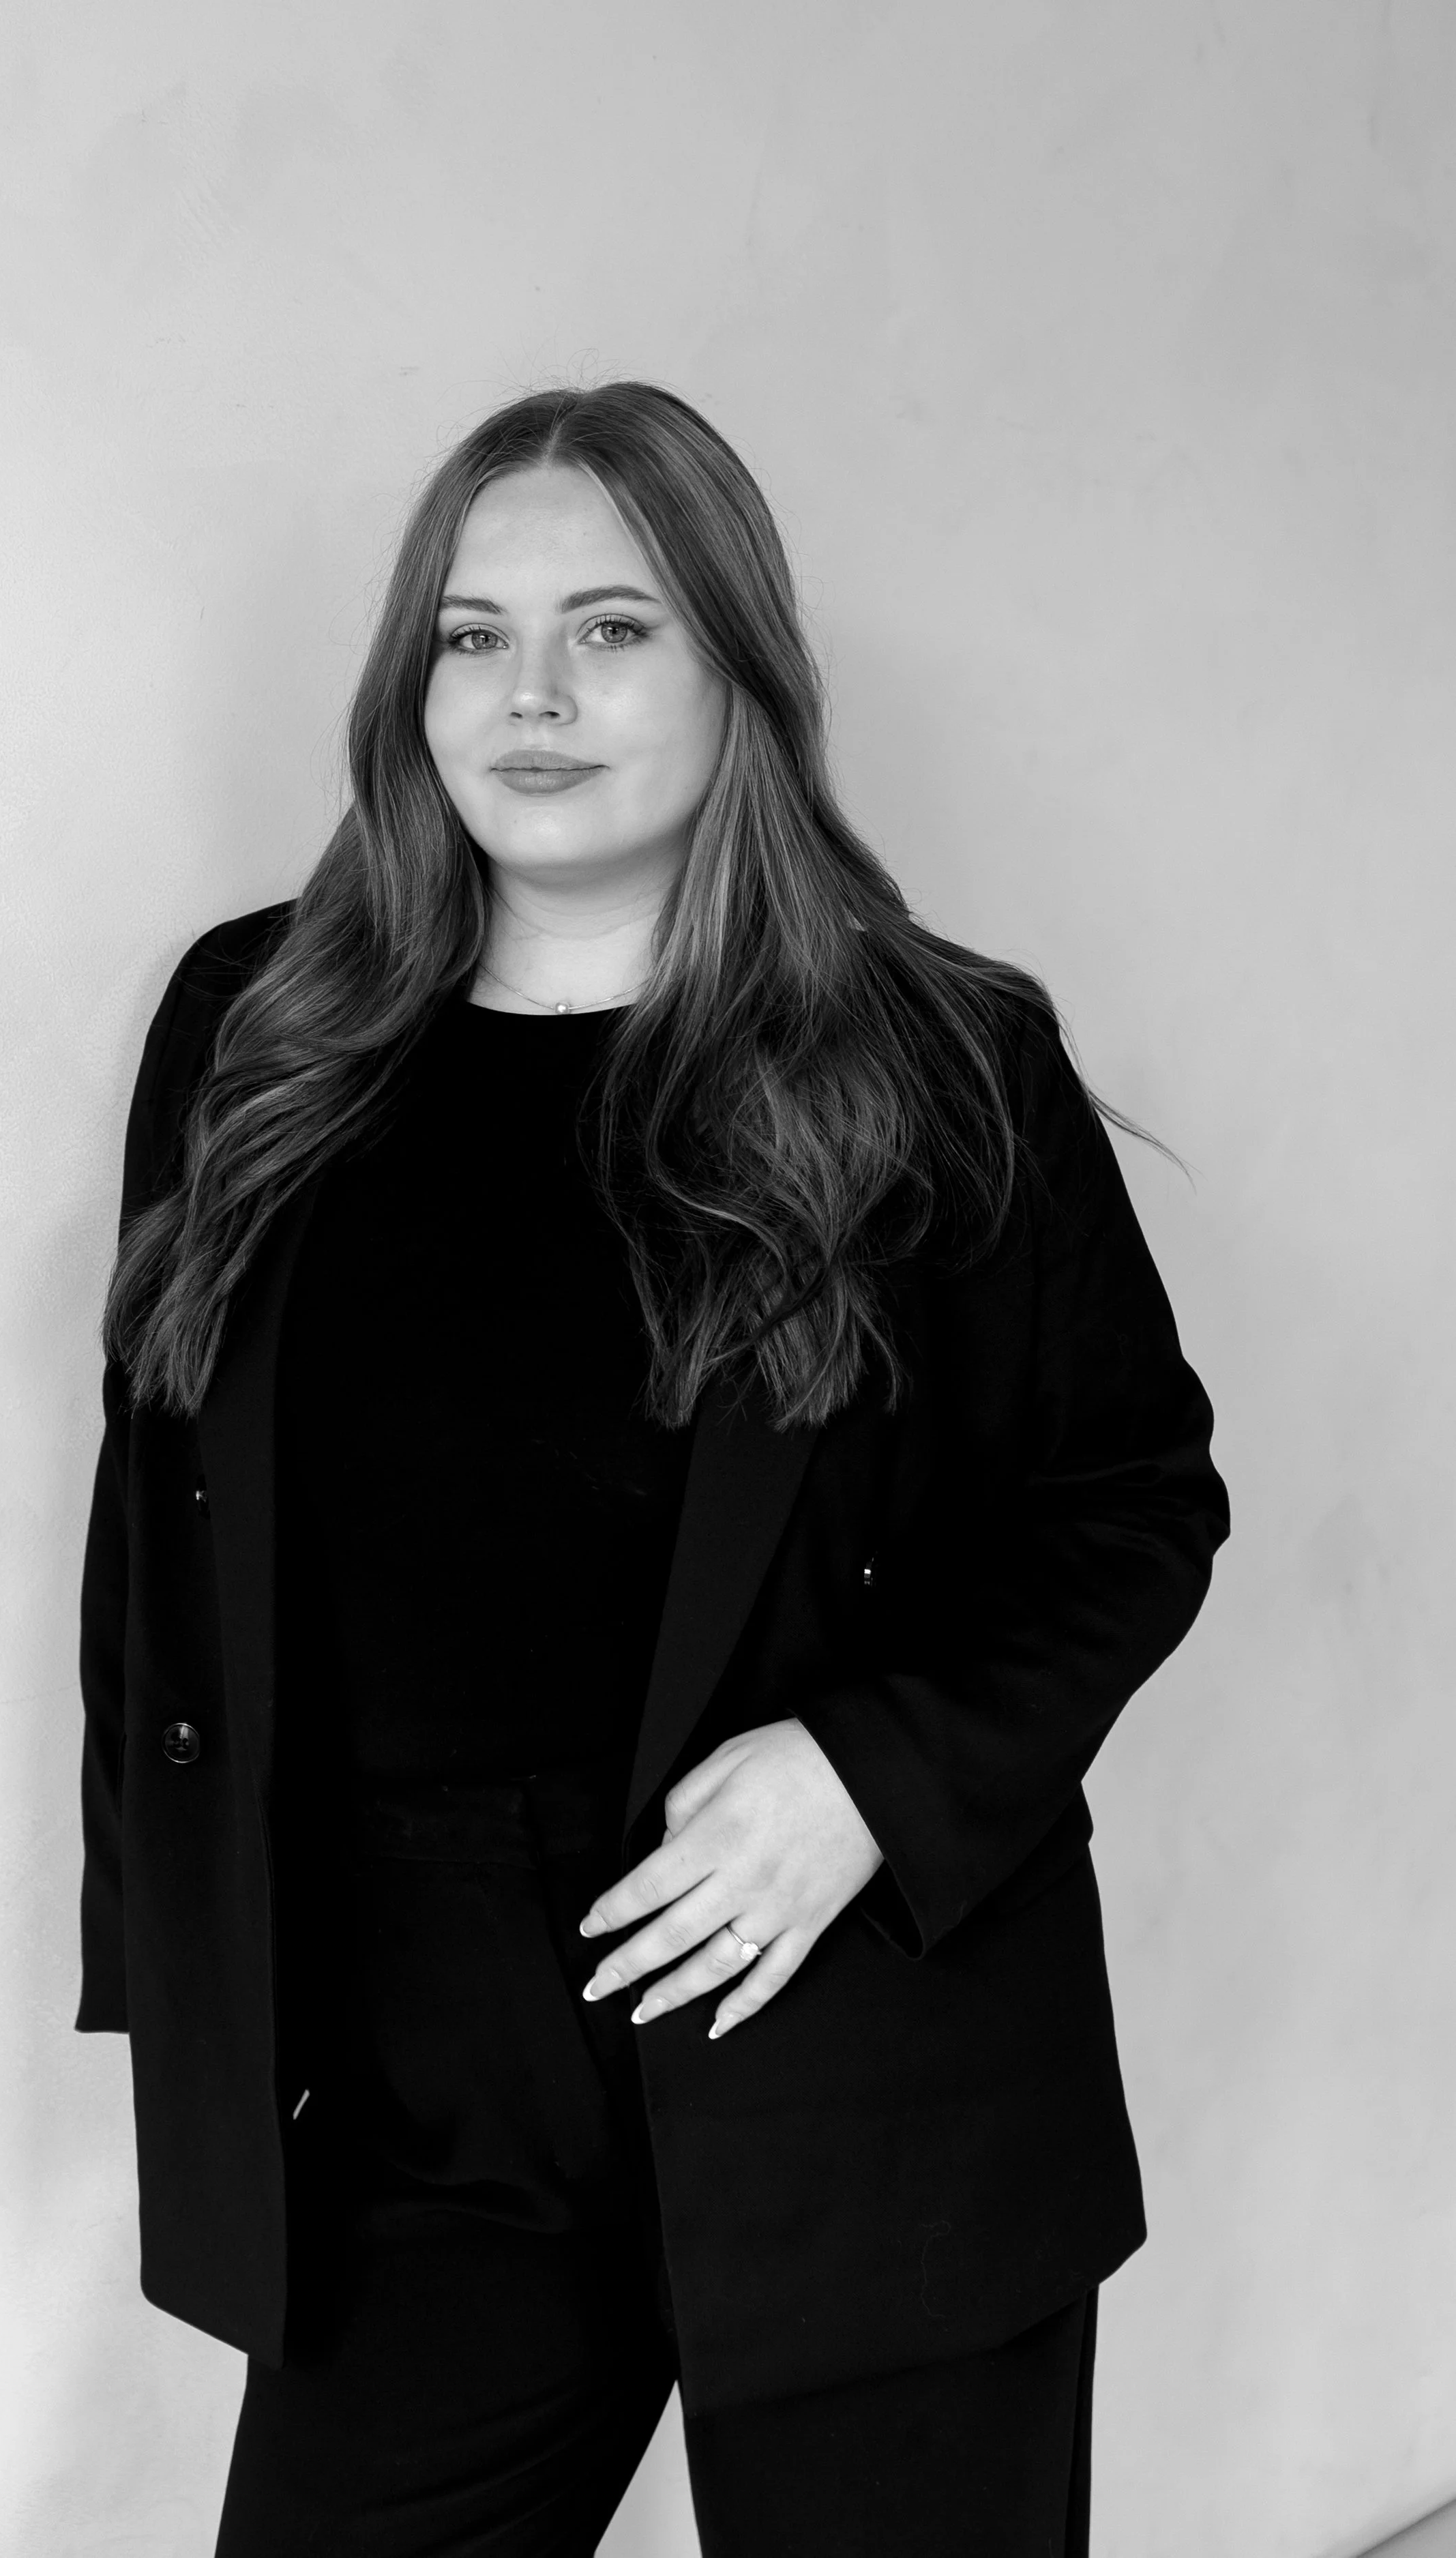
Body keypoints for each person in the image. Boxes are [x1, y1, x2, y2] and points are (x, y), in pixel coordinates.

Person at [76, 381, 1228, 2557]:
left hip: (848, 2055)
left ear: (738, 673)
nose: (528, 693)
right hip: (425, 2102)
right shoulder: (256, 1035)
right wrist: (188, 1955)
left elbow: (1129, 1501)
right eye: (468, 630)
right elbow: (157, 1524)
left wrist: (869, 1777)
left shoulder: (934, 1065)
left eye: (611, 629)